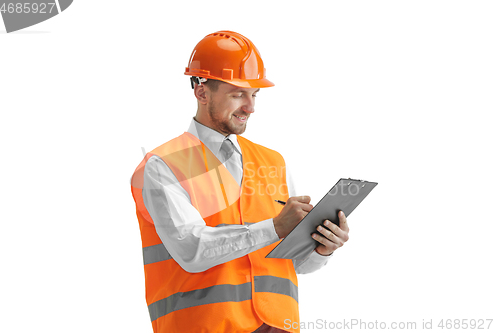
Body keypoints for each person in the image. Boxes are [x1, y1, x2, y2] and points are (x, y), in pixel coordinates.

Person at [131, 30, 349, 333]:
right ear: (201, 91)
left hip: (278, 325)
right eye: (238, 94)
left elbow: (293, 264)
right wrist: (274, 227)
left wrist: (321, 248)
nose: (251, 107)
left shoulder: (273, 163)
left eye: (254, 95)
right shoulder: (162, 166)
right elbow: (191, 250)